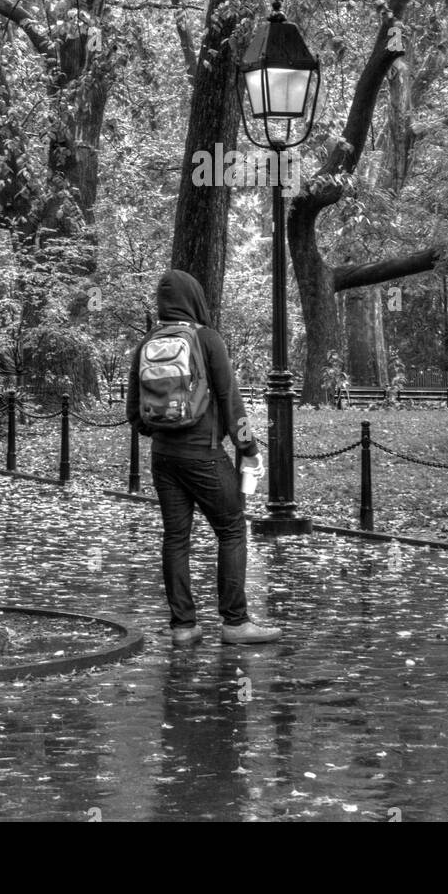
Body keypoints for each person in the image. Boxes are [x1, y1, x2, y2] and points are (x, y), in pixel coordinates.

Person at [127, 269, 282, 646]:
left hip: (163, 458)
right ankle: (235, 622)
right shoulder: (207, 339)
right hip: (206, 457)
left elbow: (135, 415)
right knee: (231, 529)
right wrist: (249, 450)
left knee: (176, 537)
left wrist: (162, 431)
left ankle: (183, 627)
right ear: (195, 299)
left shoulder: (146, 343)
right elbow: (232, 403)